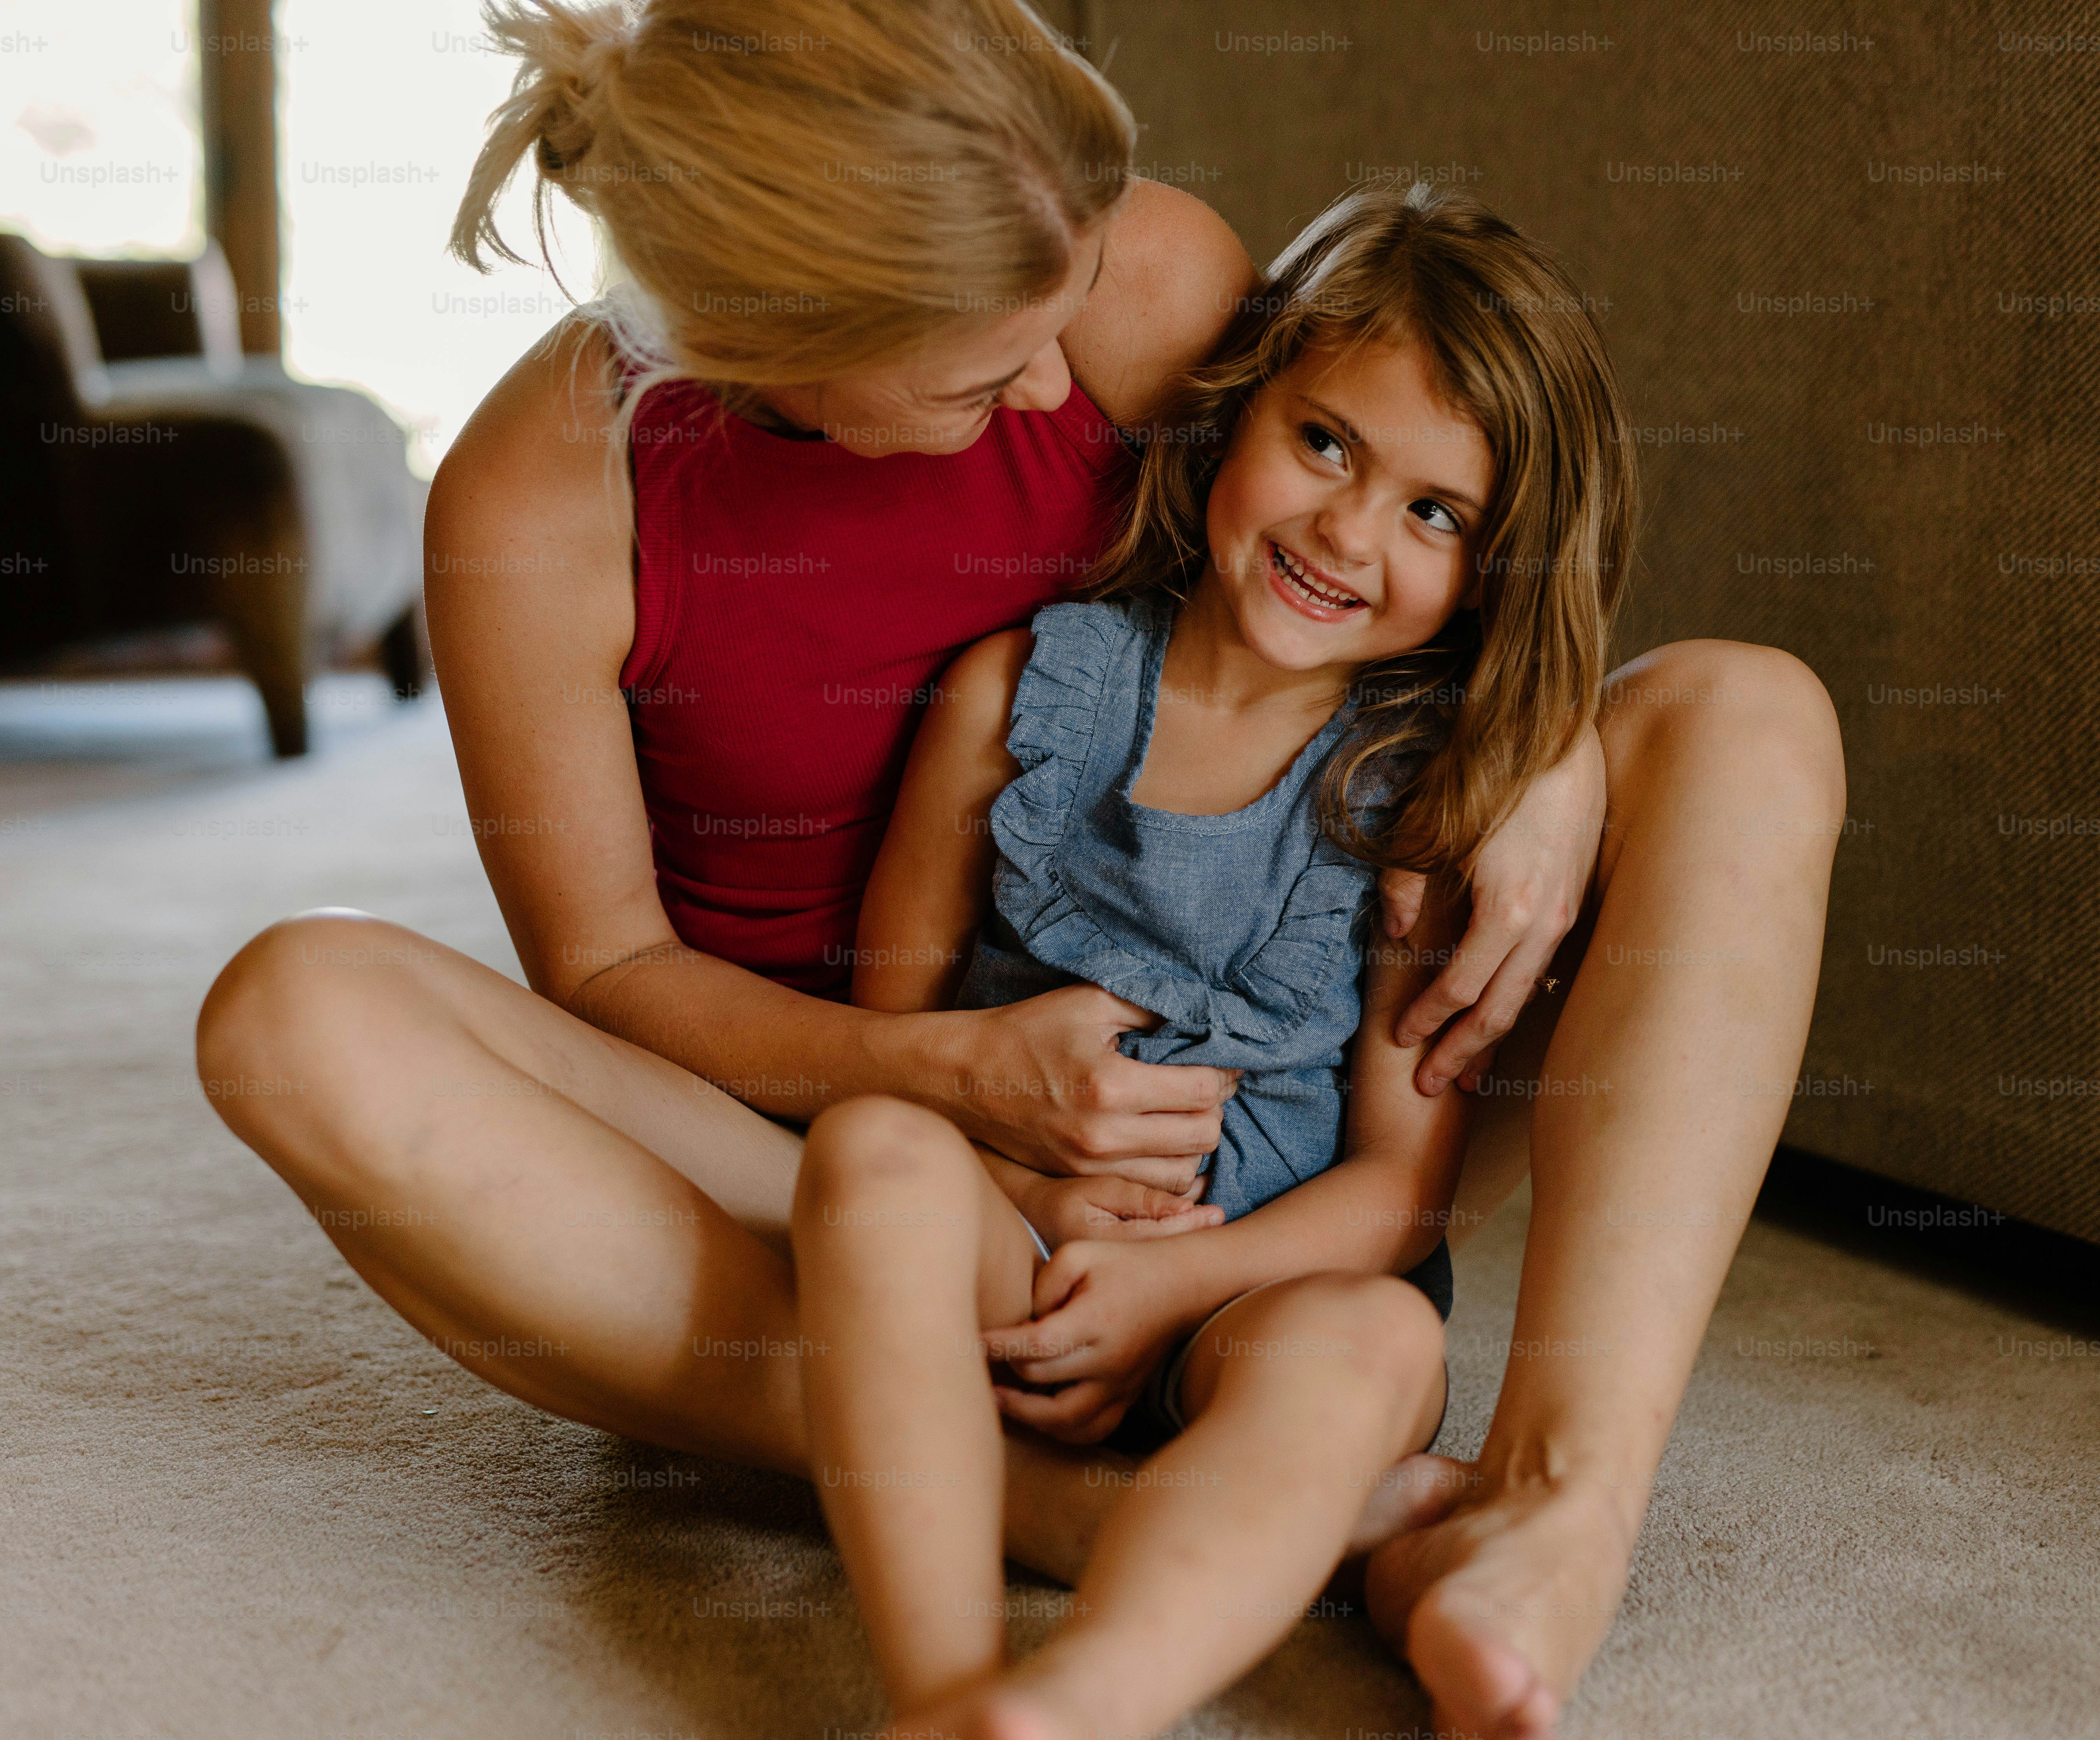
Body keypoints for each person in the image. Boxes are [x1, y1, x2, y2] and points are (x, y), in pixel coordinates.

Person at [193, 4, 1844, 1735]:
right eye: (992, 372)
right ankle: (1060, 1508)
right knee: (294, 1006)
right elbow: (606, 980)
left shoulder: (1127, 276)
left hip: (1272, 1130)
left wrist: (1547, 751)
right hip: (832, 1147)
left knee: (1749, 712)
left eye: (1070, 321)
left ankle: (1558, 1510)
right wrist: (944, 1077)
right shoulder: (537, 503)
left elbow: (1407, 524)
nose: (1063, 389)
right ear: (776, 332)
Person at [793, 181, 1626, 1738]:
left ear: (1494, 564)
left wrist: (1178, 1279)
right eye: (1328, 444)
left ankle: (1080, 1705)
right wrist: (1034, 1205)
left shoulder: (1418, 799)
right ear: (1240, 413)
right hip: (1015, 1238)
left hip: (1263, 1281)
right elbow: (892, 1040)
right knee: (867, 1156)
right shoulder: (1016, 694)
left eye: (1435, 514)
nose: (1347, 531)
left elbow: (1398, 1191)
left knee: (1380, 1340)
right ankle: (946, 1691)